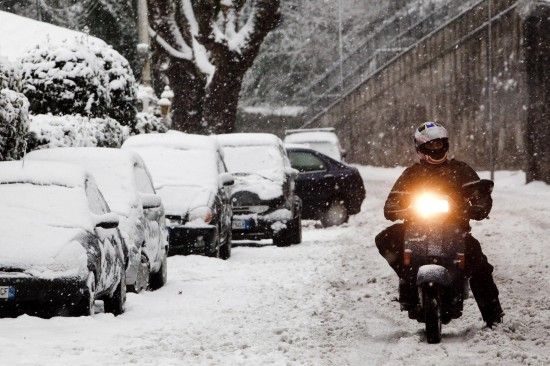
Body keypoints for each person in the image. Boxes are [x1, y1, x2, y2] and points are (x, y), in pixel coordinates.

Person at [375, 121, 504, 328]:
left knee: (479, 264)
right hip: (415, 230)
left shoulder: (460, 170)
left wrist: (477, 206)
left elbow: (480, 197)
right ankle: (408, 278)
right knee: (385, 238)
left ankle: (494, 318)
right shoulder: (411, 174)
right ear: (420, 148)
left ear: (446, 145)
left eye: (440, 144)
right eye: (431, 145)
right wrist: (400, 210)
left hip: (454, 230)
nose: (436, 149)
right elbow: (391, 204)